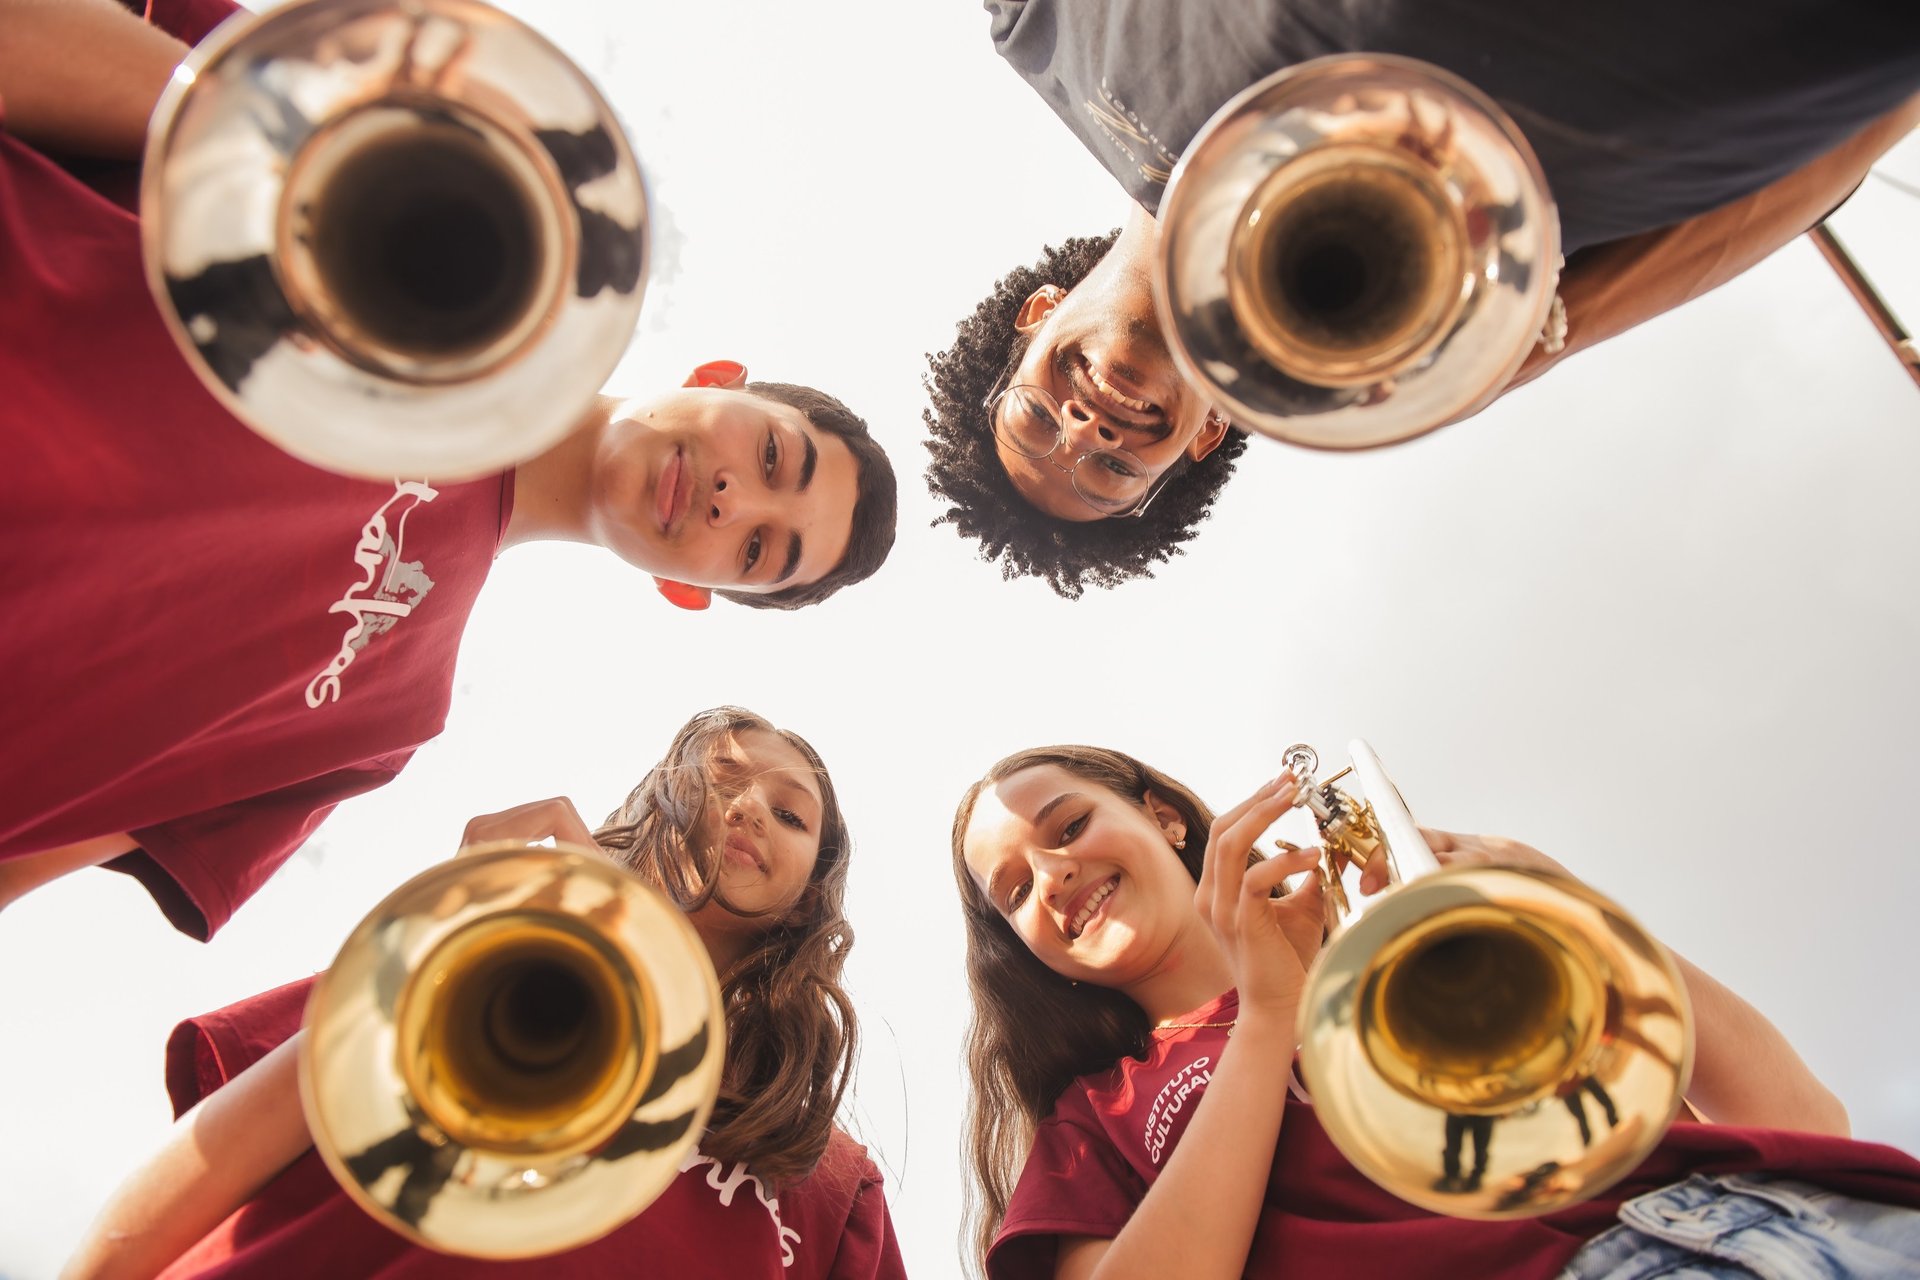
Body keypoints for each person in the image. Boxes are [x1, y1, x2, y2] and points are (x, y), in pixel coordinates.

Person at [0, 0, 900, 937]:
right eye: (769, 455)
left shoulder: (390, 721)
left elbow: (23, 859)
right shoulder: (433, 203)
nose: (733, 498)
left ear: (688, 590)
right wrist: (294, 140)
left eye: (758, 549)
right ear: (717, 376)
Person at [924, 0, 1920, 597]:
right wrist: (1539, 346)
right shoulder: (1460, 321)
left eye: (1036, 421)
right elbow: (1797, 176)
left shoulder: (1044, 32)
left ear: (1035, 313)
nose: (1085, 428)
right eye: (1107, 469)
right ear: (1201, 436)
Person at [952, 745, 1920, 1278]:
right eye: (1012, 889)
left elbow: (1799, 1122)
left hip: (1799, 1225)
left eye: (1068, 825)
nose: (1055, 871)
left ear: (1163, 815)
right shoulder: (1093, 1117)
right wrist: (1266, 1021)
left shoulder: (1395, 939)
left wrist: (1571, 901)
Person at [65, 706, 907, 1279]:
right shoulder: (467, 961)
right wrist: (448, 944)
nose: (750, 808)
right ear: (660, 802)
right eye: (721, 779)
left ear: (810, 895)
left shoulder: (829, 1185)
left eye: (792, 815)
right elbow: (206, 1172)